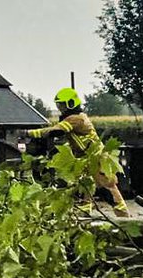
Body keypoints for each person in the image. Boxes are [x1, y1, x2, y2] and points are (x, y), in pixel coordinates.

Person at [30, 87, 130, 216]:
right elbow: (72, 140)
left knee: (107, 188)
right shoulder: (74, 118)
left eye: (62, 105)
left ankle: (124, 219)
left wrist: (28, 133)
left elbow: (56, 131)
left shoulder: (76, 119)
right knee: (84, 189)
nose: (61, 109)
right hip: (85, 159)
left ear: (71, 104)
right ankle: (85, 218)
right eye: (59, 106)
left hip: (96, 158)